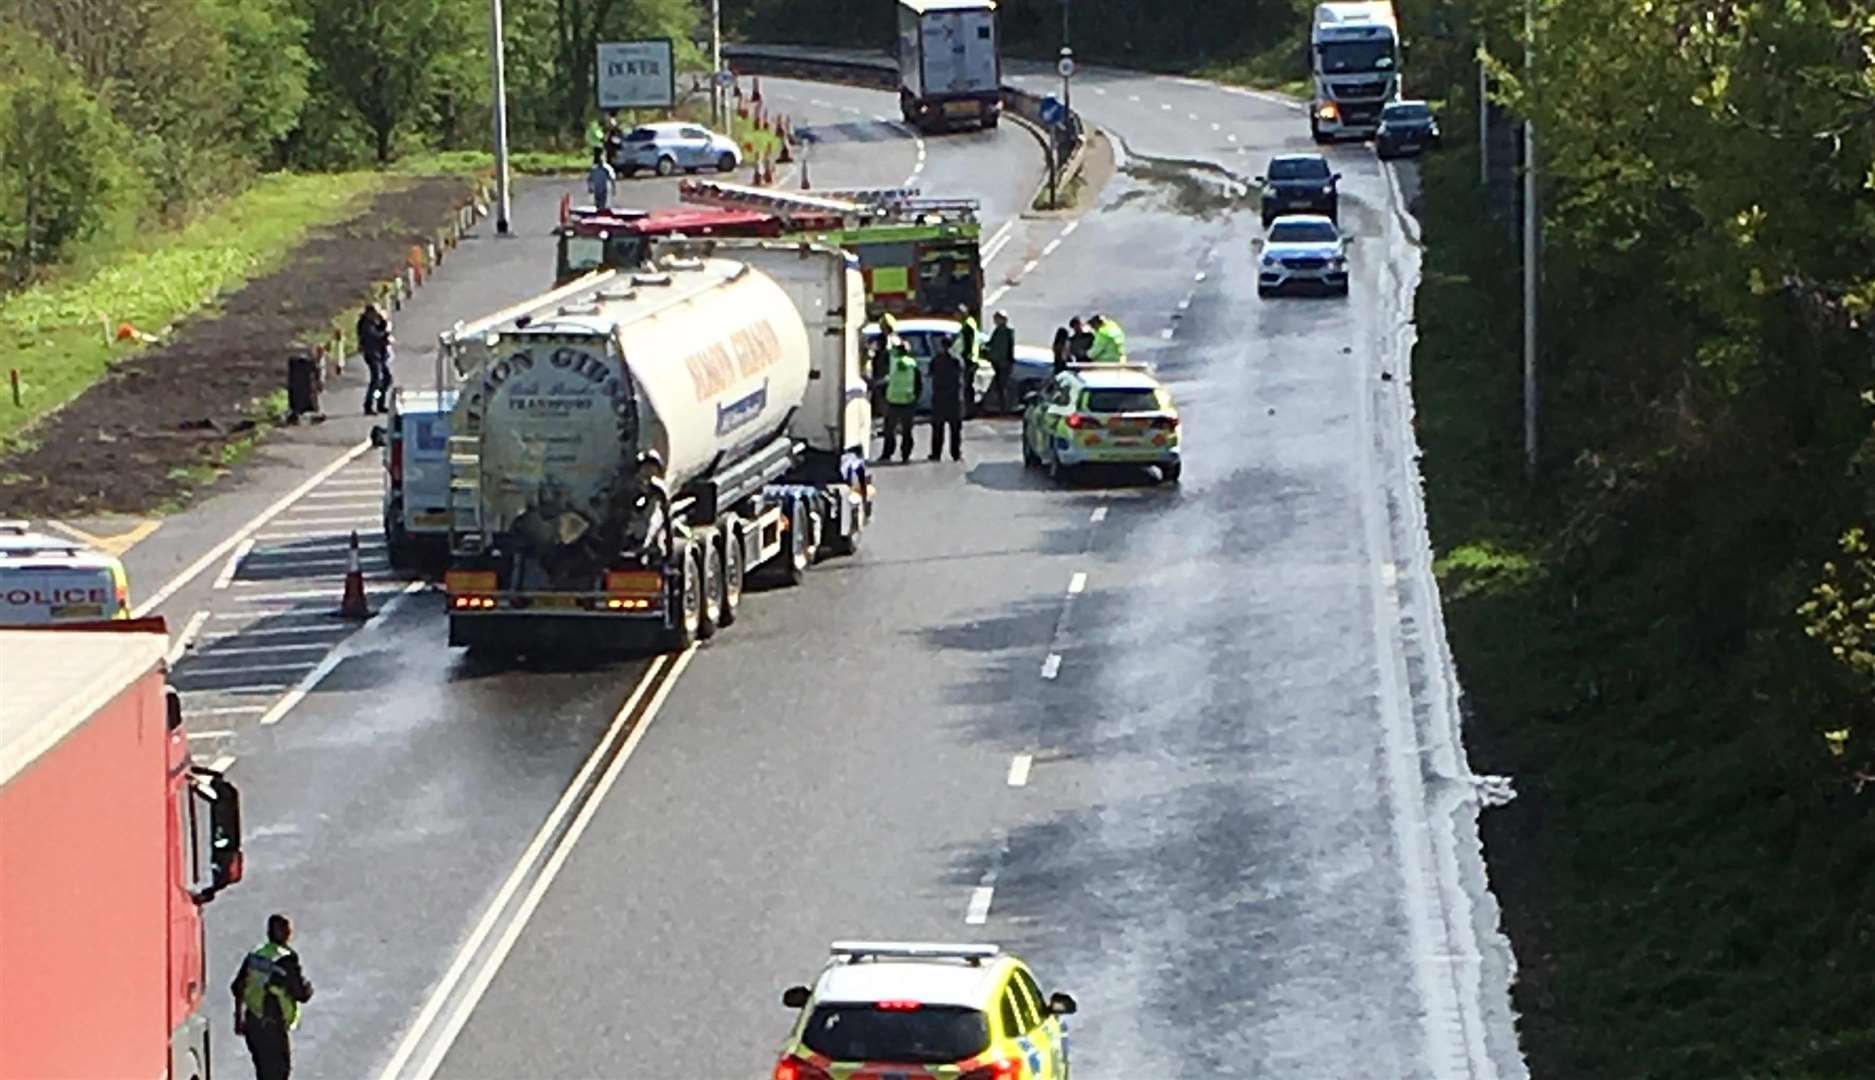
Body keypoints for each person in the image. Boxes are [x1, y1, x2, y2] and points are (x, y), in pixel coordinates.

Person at [231, 914, 314, 1080]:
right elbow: (300, 993)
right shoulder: (286, 958)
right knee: (279, 1072)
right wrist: (307, 989)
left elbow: (237, 987)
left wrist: (239, 1018)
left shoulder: (256, 955)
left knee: (263, 1072)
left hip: (253, 1024)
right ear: (283, 933)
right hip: (273, 1026)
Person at [879, 335, 921, 463]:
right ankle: (905, 454)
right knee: (907, 431)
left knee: (889, 430)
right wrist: (915, 397)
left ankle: (887, 454)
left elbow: (887, 380)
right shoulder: (913, 365)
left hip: (893, 400)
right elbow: (918, 383)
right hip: (908, 400)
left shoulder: (893, 363)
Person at [928, 334, 966, 461]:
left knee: (938, 427)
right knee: (955, 428)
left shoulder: (936, 359)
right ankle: (955, 453)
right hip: (954, 398)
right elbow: (962, 375)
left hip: (939, 397)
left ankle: (936, 453)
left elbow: (930, 374)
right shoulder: (957, 360)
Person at [356, 303, 393, 415]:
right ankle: (369, 404)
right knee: (376, 380)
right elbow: (375, 336)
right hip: (372, 355)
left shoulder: (374, 322)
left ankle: (379, 401)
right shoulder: (366, 325)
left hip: (380, 354)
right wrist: (385, 334)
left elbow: (382, 331)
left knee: (386, 379)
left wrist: (384, 321)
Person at [984, 310, 1016, 413]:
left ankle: (1004, 407)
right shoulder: (997, 330)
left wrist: (1010, 360)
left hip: (1003, 362)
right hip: (996, 360)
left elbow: (1010, 347)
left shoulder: (1007, 331)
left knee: (1002, 385)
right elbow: (991, 343)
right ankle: (999, 405)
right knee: (998, 384)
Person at [955, 304, 981, 414]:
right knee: (968, 386)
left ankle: (969, 410)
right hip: (971, 358)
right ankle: (969, 409)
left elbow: (968, 344)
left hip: (969, 359)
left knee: (966, 386)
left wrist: (964, 358)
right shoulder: (970, 323)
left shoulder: (967, 326)